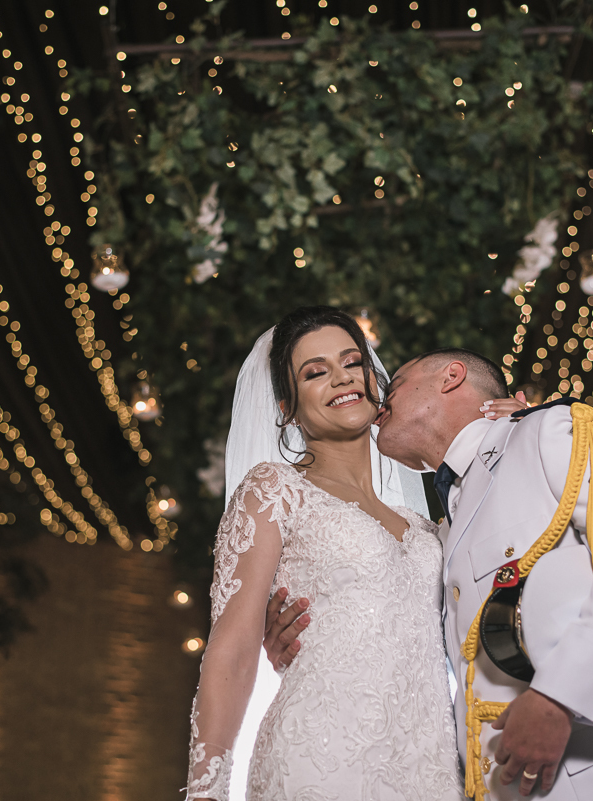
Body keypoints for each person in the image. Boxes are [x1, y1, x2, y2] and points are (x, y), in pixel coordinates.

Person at [266, 348, 593, 800]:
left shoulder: (546, 432)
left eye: (393, 386)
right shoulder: (440, 529)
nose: (376, 402)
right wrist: (302, 645)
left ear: (451, 377)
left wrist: (560, 697)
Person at [185, 306, 521, 800]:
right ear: (286, 407)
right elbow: (230, 653)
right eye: (316, 372)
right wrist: (205, 792)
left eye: (351, 362)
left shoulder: (426, 525)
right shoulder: (274, 491)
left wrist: (515, 436)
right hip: (318, 759)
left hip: (429, 769)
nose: (342, 379)